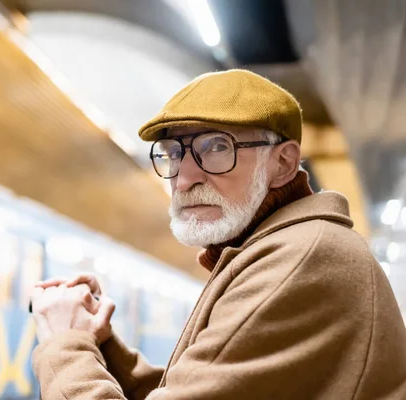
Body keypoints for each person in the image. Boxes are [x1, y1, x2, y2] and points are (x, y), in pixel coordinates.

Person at [29, 69, 406, 399]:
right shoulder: (280, 250)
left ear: (284, 163)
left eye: (217, 147)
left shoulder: (299, 262)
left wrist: (65, 345)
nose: (186, 177)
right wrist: (102, 345)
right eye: (173, 153)